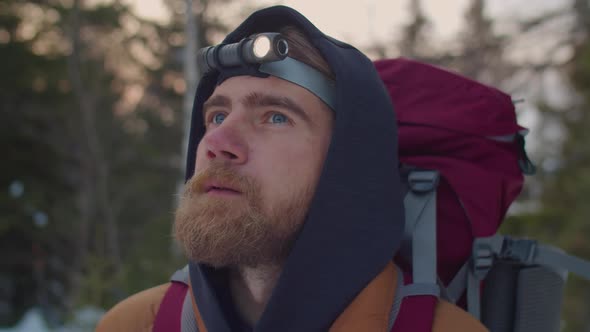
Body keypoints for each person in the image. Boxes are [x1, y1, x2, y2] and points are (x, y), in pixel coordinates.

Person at [96, 5, 487, 332]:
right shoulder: (134, 325)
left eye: (276, 117)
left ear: (347, 162)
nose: (217, 143)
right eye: (216, 117)